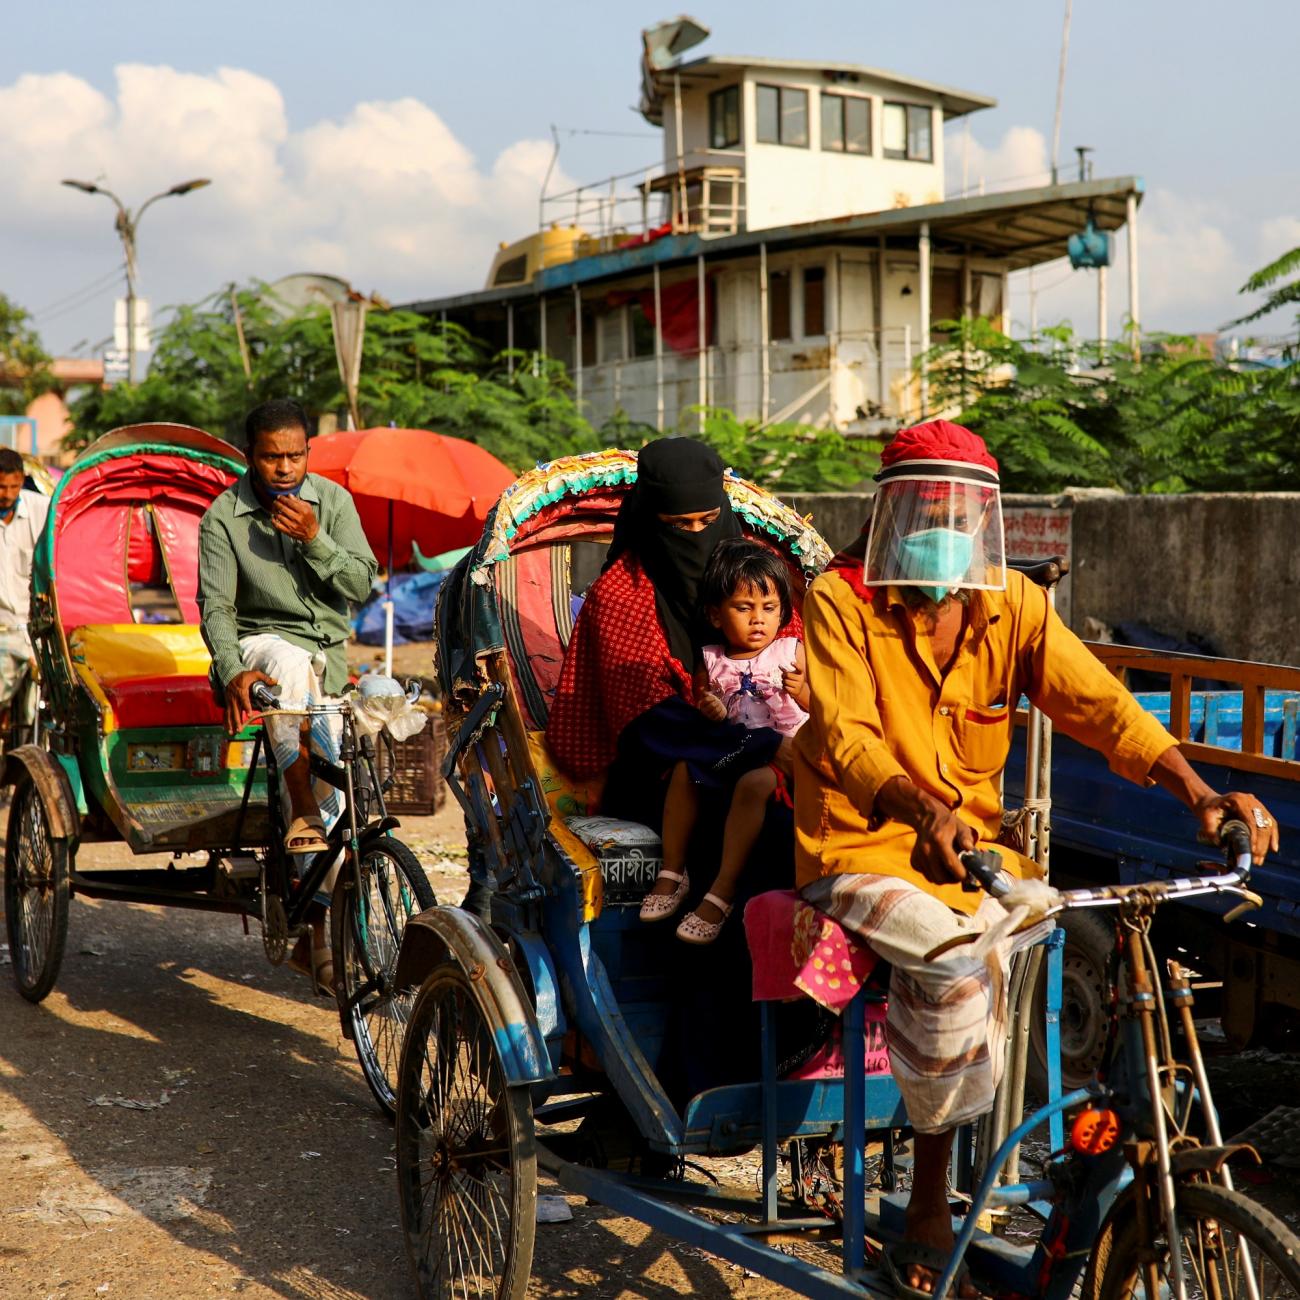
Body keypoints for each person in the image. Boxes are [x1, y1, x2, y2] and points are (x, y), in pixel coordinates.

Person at [794, 419, 1278, 1298]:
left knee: (1058, 926)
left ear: (985, 519)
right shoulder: (839, 601)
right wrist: (922, 808)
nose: (947, 527)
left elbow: (1102, 706)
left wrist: (1200, 793)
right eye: (929, 506)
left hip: (977, 851)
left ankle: (1033, 1151)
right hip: (859, 846)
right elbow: (850, 739)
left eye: (962, 509)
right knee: (951, 959)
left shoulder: (1012, 602)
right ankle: (933, 1206)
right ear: (892, 511)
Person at [547, 437, 805, 1094]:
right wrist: (751, 746)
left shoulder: (761, 579)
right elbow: (650, 719)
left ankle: (805, 1061)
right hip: (672, 777)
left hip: (770, 764)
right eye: (677, 527)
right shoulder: (621, 595)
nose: (695, 536)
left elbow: (806, 669)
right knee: (745, 867)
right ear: (651, 520)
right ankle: (699, 1083)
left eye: (704, 522)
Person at [197, 398, 377, 991]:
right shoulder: (224, 516)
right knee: (289, 664)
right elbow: (217, 607)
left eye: (294, 455)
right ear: (251, 455)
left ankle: (316, 932)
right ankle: (298, 802)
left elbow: (362, 583)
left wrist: (317, 540)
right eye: (271, 457)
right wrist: (229, 670)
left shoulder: (335, 503)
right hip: (260, 650)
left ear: (308, 452)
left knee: (343, 805)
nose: (284, 468)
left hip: (330, 661)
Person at [640, 537, 810, 943]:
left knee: (756, 784)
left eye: (769, 609)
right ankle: (672, 870)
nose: (758, 620)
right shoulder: (711, 658)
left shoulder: (791, 650)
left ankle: (723, 889)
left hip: (784, 758)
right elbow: (705, 703)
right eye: (744, 608)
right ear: (716, 615)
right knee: (684, 769)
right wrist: (710, 707)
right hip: (734, 752)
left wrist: (802, 689)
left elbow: (821, 707)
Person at [0, 448, 49, 739]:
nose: (7, 494)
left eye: (13, 486)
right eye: (1, 487)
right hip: (2, 629)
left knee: (43, 706)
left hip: (34, 627)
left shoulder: (41, 510)